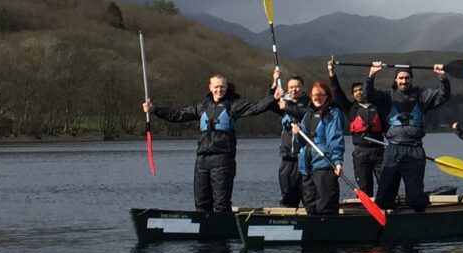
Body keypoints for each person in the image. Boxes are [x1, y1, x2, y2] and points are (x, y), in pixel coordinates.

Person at [144, 74, 278, 216]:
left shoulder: (234, 105)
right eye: (216, 87)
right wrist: (155, 110)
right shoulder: (203, 107)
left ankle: (223, 231)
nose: (219, 90)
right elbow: (178, 114)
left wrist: (272, 97)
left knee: (221, 204)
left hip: (223, 159)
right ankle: (205, 230)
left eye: (222, 87)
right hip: (202, 160)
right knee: (201, 203)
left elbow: (256, 107)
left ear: (226, 87)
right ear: (210, 87)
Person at [366, 61, 451, 213]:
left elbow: (444, 96)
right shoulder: (386, 96)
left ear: (411, 79)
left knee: (415, 195)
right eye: (400, 78)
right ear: (396, 80)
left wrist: (442, 78)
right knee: (384, 195)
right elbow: (369, 96)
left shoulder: (422, 96)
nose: (403, 81)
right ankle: (385, 220)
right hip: (393, 149)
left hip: (414, 149)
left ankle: (418, 218)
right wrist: (371, 75)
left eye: (406, 78)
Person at [330, 60, 385, 201]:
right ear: (352, 95)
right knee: (365, 187)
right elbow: (337, 92)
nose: (358, 92)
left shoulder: (376, 105)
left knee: (386, 183)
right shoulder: (350, 109)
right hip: (361, 153)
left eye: (360, 89)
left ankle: (387, 208)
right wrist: (331, 73)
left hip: (379, 151)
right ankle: (367, 211)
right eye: (355, 91)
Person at [297, 79, 347, 216]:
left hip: (324, 163)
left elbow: (335, 138)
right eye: (314, 95)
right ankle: (313, 226)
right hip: (307, 166)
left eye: (321, 95)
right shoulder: (308, 115)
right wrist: (297, 133)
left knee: (326, 202)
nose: (317, 98)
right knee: (309, 202)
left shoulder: (333, 113)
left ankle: (327, 227)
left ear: (327, 96)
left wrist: (337, 162)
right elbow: (302, 141)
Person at [266, 68, 308, 208]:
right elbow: (269, 104)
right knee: (288, 195)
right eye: (291, 87)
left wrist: (288, 108)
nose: (294, 89)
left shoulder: (310, 102)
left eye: (297, 86)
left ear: (302, 87)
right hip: (287, 157)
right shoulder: (284, 101)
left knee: (308, 194)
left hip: (305, 156)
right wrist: (273, 86)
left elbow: (307, 114)